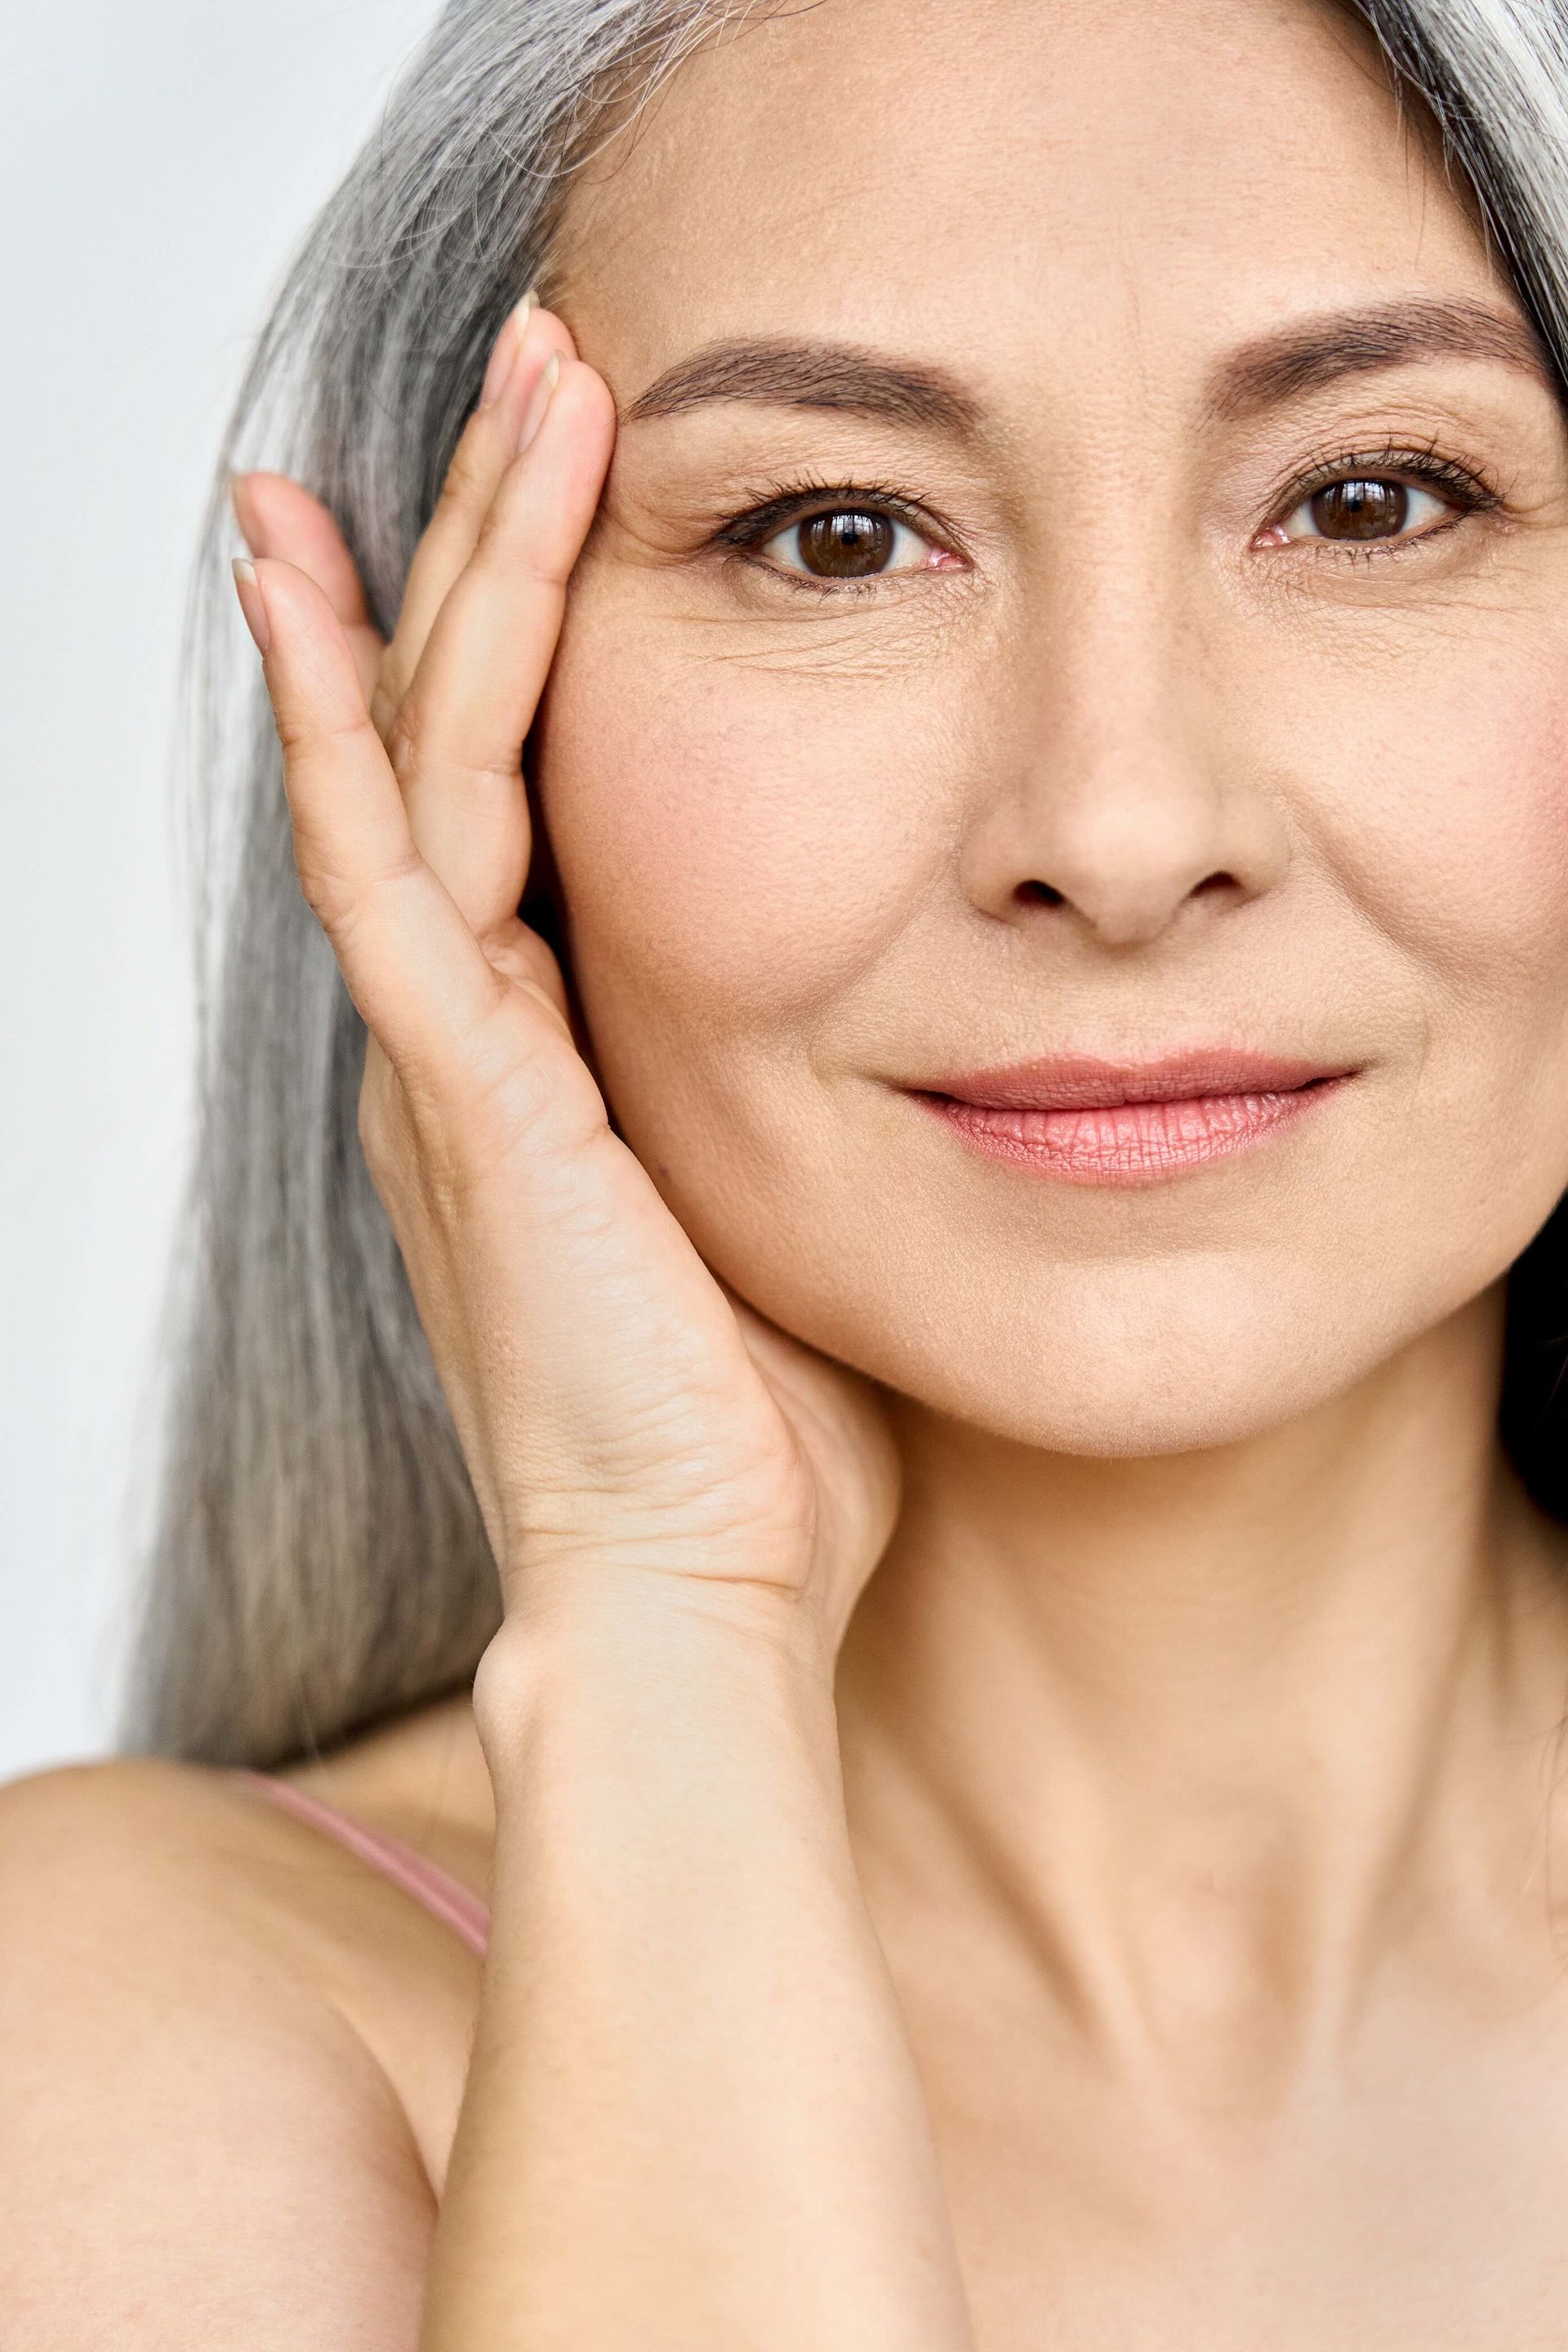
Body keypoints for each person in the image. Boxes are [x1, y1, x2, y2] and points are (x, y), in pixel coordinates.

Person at [8, 0, 1568, 2339]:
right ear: (485, 713)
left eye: (1376, 497)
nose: (1121, 833)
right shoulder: (119, 2056)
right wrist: (667, 1624)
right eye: (836, 536)